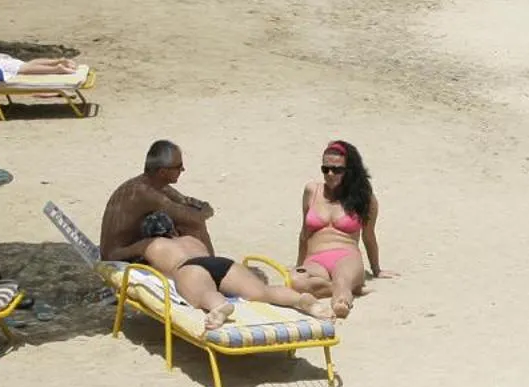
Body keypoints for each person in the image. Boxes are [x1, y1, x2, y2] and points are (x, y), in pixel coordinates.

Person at [99, 140, 330, 327]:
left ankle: (219, 307)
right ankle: (302, 300)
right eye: (178, 166)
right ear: (162, 171)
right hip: (217, 262)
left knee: (204, 294)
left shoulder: (150, 244)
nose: (183, 169)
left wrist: (142, 250)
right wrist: (199, 212)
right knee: (263, 291)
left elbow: (189, 210)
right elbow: (196, 213)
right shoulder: (183, 234)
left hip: (189, 269)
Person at [291, 140, 387, 315]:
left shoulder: (364, 199)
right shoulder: (312, 191)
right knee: (297, 282)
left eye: (337, 170)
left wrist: (376, 269)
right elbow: (304, 233)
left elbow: (369, 236)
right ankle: (348, 288)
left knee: (342, 279)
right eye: (325, 169)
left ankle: (341, 302)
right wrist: (299, 264)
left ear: (349, 170)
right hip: (315, 259)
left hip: (346, 256)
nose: (330, 174)